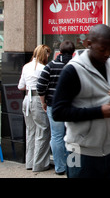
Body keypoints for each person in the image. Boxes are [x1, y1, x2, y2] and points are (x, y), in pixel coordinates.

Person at [52, 24, 110, 178]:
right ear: (88, 44)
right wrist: (99, 112)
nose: (107, 53)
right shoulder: (72, 70)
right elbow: (58, 112)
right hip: (78, 151)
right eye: (102, 49)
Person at [36, 40, 75, 175]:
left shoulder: (50, 66)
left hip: (54, 106)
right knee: (74, 136)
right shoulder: (76, 66)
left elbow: (40, 86)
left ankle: (60, 168)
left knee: (57, 136)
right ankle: (74, 167)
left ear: (59, 51)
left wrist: (43, 102)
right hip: (72, 107)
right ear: (73, 52)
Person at [18, 44, 52, 172]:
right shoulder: (44, 68)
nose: (48, 57)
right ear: (45, 54)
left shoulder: (26, 66)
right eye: (48, 54)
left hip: (26, 99)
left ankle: (30, 163)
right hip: (38, 99)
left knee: (30, 131)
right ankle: (39, 164)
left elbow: (20, 86)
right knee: (43, 130)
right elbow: (45, 86)